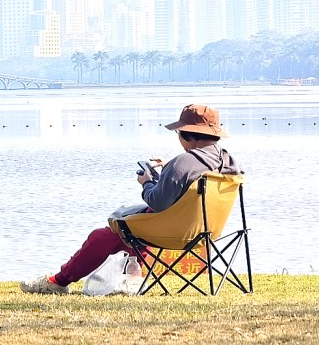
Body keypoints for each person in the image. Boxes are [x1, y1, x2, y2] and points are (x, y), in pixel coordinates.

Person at [19, 103, 242, 294]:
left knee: (106, 234)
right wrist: (168, 170)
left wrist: (146, 182)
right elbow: (192, 184)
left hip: (175, 233)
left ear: (186, 135)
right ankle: (131, 278)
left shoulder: (184, 162)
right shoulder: (228, 161)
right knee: (127, 231)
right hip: (207, 232)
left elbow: (157, 202)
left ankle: (58, 282)